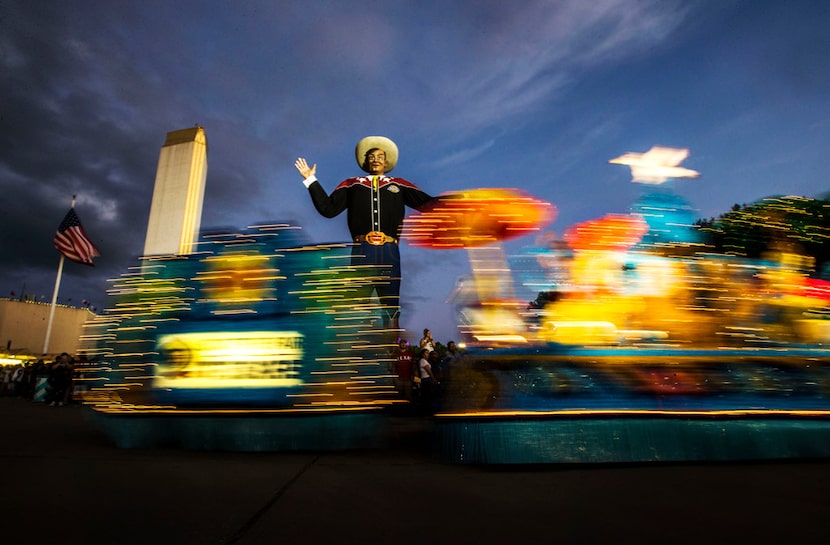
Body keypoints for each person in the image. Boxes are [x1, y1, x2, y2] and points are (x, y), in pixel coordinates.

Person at [295, 136, 434, 329]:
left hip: (389, 252)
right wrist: (310, 179)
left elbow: (428, 204)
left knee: (391, 307)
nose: (376, 159)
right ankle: (358, 353)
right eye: (371, 157)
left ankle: (391, 355)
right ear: (365, 161)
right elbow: (328, 209)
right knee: (357, 305)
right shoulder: (352, 184)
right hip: (362, 251)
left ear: (386, 162)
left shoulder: (399, 184)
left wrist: (460, 203)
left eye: (380, 156)